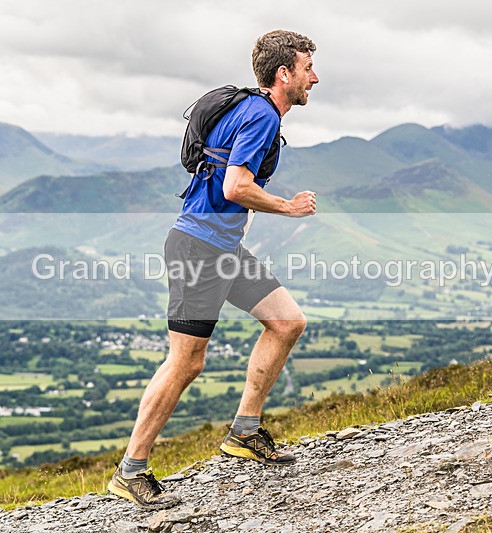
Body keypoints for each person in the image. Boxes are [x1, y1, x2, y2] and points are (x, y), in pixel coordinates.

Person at [107, 29, 319, 509]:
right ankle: (131, 471)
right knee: (186, 361)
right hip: (199, 250)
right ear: (283, 74)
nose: (315, 78)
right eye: (308, 69)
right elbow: (235, 187)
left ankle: (244, 432)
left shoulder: (249, 109)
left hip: (220, 249)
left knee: (287, 322)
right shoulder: (261, 114)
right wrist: (288, 207)